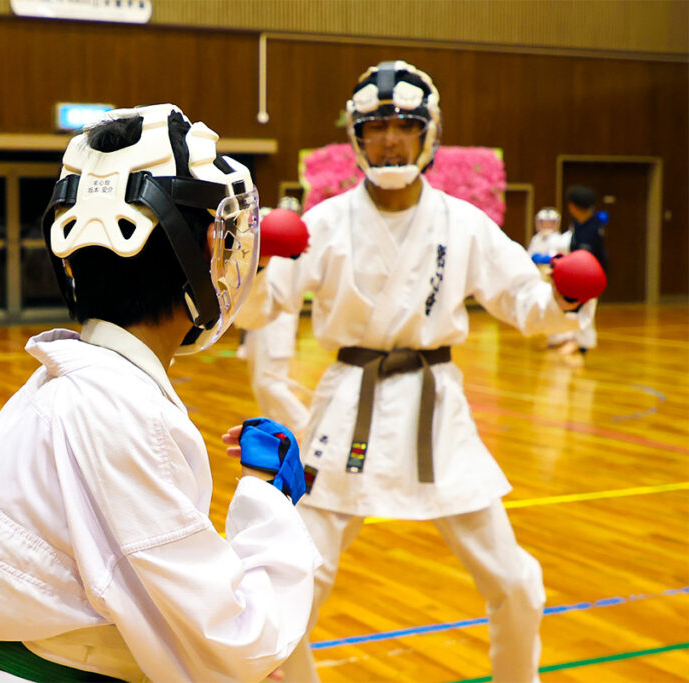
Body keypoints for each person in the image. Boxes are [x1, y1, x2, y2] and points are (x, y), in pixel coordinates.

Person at [0, 104, 319, 682]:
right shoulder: (118, 412)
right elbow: (232, 645)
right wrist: (267, 503)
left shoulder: (76, 379)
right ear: (206, 246)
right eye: (225, 237)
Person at [237, 61, 592, 683]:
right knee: (296, 577)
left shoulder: (462, 222)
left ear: (429, 135)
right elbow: (263, 308)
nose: (391, 140)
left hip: (438, 410)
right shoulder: (323, 224)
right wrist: (259, 261)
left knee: (515, 583)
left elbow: (521, 299)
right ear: (357, 137)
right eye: (376, 128)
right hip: (349, 406)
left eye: (405, 125)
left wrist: (561, 298)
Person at [237, 196, 311, 440]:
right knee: (263, 383)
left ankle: (307, 426)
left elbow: (283, 296)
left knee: (270, 382)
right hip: (265, 315)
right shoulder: (274, 244)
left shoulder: (295, 250)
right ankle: (283, 436)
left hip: (278, 319)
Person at [557, 185, 607, 359]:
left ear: (573, 206)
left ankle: (582, 343)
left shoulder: (592, 229)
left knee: (585, 309)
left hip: (590, 275)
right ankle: (575, 339)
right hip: (578, 273)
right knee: (574, 309)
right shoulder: (579, 224)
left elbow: (589, 255)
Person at [527, 207, 573, 348]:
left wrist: (548, 259)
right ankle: (553, 336)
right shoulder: (536, 239)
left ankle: (565, 336)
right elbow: (530, 255)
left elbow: (561, 256)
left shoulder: (559, 239)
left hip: (554, 276)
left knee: (557, 306)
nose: (546, 225)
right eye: (543, 222)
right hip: (540, 277)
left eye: (550, 222)